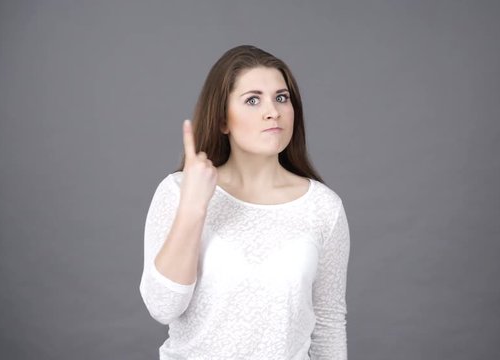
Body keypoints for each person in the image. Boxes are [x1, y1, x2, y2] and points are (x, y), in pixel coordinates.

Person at [139, 45, 350, 360]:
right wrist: (193, 208)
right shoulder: (178, 191)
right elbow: (162, 306)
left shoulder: (323, 207)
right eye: (253, 100)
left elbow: (329, 322)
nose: (273, 111)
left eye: (282, 98)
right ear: (223, 120)